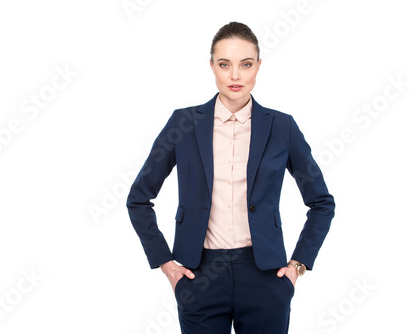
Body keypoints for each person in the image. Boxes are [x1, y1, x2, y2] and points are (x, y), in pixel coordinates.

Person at [126, 21, 335, 334]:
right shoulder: (183, 124)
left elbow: (321, 202)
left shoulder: (282, 127)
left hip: (265, 277)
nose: (235, 76)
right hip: (199, 276)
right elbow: (139, 198)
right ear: (212, 67)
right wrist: (166, 264)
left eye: (245, 64)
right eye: (225, 64)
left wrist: (297, 265)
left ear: (258, 67)